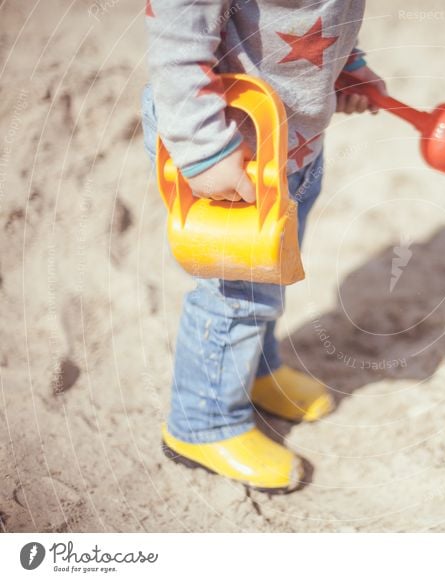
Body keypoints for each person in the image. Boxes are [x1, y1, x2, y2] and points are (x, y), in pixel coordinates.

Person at [141, 0, 386, 492]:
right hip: (228, 145)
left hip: (295, 144)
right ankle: (203, 422)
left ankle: (254, 369)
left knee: (270, 272)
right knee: (237, 291)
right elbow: (177, 41)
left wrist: (346, 65)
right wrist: (205, 148)